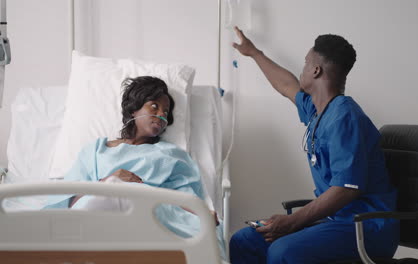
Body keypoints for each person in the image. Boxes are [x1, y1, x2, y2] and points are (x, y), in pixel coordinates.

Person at [229, 27, 399, 263]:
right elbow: (286, 85)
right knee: (245, 241)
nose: (302, 69)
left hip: (366, 227)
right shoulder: (318, 110)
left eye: (306, 63)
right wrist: (254, 53)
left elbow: (347, 188)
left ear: (316, 70)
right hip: (336, 221)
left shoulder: (345, 117)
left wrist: (292, 221)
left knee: (283, 251)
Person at [44, 76, 226, 259]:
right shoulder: (95, 151)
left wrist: (204, 213)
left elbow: (185, 201)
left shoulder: (170, 155)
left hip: (151, 213)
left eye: (166, 111)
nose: (161, 115)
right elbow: (69, 202)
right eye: (154, 106)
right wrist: (106, 182)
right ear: (133, 109)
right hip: (97, 212)